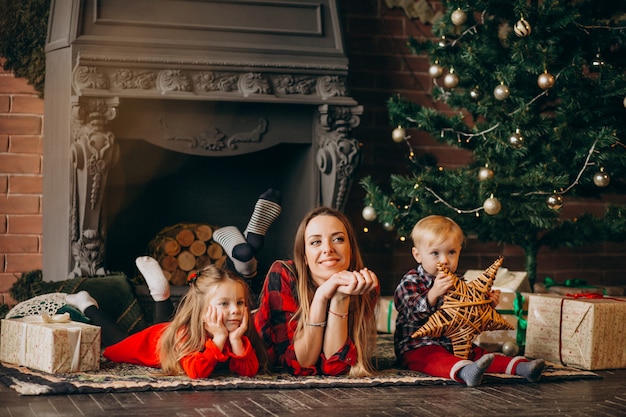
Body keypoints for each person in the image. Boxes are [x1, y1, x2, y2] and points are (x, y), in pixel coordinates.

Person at [394, 215, 545, 387]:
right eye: (435, 253)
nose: (444, 260)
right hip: (418, 346)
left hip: (456, 343)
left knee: (481, 355)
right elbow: (409, 311)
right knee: (433, 359)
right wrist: (433, 293)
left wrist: (486, 304)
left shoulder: (459, 282)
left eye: (451, 252)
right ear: (417, 255)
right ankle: (465, 372)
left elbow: (470, 313)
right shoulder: (411, 281)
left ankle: (521, 367)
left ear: (459, 251)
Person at [65, 257, 268, 379]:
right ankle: (87, 305)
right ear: (202, 310)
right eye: (224, 304)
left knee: (164, 325)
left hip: (166, 333)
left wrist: (234, 340)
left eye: (240, 303)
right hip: (151, 343)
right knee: (116, 344)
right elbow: (197, 372)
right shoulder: (185, 334)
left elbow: (248, 371)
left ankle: (161, 296)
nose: (235, 310)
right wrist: (219, 339)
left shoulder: (236, 334)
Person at [254, 206, 380, 377]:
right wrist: (320, 297)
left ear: (350, 249)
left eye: (338, 239)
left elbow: (335, 368)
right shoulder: (283, 275)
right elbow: (299, 365)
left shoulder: (362, 285)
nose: (327, 249)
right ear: (304, 257)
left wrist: (340, 297)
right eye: (315, 242)